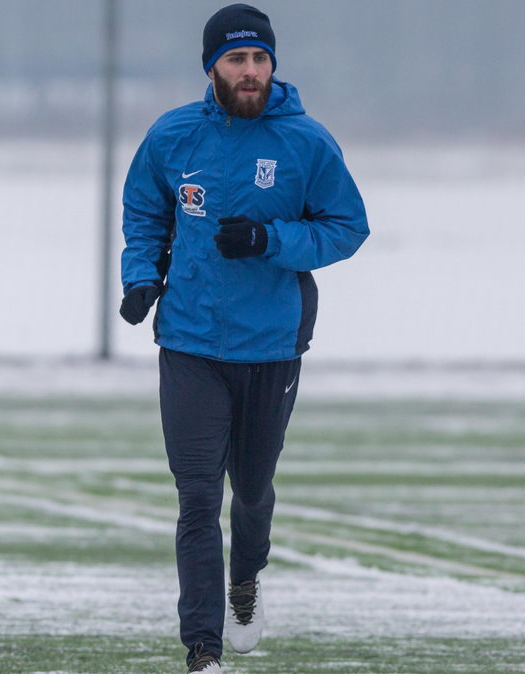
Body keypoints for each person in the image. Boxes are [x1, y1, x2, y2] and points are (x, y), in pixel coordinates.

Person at [118, 4, 369, 672]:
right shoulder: (172, 137)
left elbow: (348, 226)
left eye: (260, 59)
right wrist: (142, 277)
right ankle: (202, 652)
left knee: (251, 490)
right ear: (212, 68)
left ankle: (245, 582)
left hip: (271, 348)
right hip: (192, 346)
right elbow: (143, 211)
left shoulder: (307, 143)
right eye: (237, 60)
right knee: (198, 498)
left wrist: (271, 239)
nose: (251, 72)